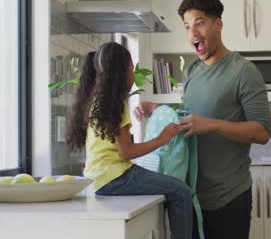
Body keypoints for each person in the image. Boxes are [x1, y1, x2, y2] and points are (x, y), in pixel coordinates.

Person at [134, 0, 271, 239]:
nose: (192, 33)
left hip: (229, 197)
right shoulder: (192, 71)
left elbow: (262, 132)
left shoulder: (244, 71)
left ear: (217, 25)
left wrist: (212, 125)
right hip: (191, 196)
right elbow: (189, 117)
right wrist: (157, 110)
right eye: (187, 27)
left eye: (199, 23)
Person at [66, 42, 192, 239]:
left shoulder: (95, 101)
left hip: (97, 179)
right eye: (132, 68)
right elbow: (127, 152)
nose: (134, 74)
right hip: (116, 177)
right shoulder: (117, 104)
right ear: (121, 71)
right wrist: (163, 138)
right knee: (181, 191)